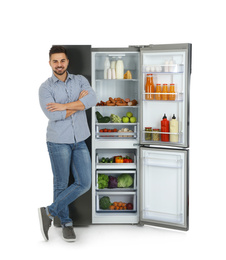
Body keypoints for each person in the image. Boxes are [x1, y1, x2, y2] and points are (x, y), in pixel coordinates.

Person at [38, 45, 96, 242]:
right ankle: (66, 223)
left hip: (80, 139)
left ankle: (48, 211)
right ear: (50, 63)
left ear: (67, 62)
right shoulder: (45, 88)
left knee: (84, 182)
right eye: (55, 61)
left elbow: (92, 99)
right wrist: (77, 105)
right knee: (61, 184)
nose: (59, 64)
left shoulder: (80, 80)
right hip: (58, 141)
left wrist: (63, 106)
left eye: (62, 60)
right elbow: (53, 115)